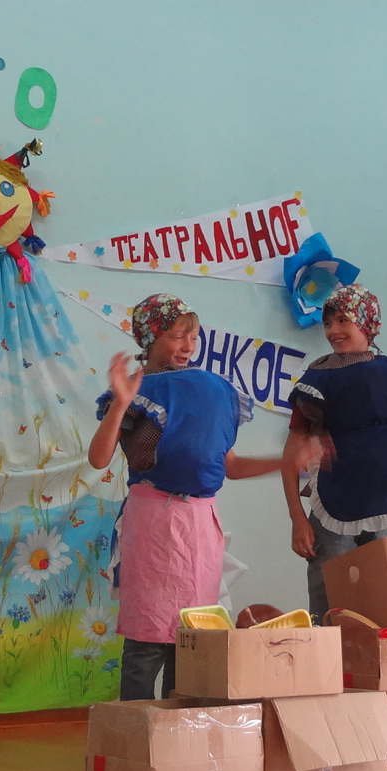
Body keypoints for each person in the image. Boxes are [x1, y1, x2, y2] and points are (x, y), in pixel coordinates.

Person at [90, 294, 282, 700]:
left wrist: (286, 463)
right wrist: (120, 404)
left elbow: (229, 466)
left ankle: (180, 731)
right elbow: (98, 458)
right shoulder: (138, 391)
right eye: (177, 337)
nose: (187, 346)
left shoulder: (211, 390)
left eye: (192, 337)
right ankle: (137, 731)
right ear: (150, 338)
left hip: (199, 526)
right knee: (146, 644)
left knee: (191, 641)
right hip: (152, 525)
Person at [281, 285, 387, 619]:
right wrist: (297, 518)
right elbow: (291, 456)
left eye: (342, 320)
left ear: (367, 322)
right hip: (335, 503)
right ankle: (328, 654)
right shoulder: (317, 379)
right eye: (327, 323)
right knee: (331, 598)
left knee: (383, 600)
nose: (332, 331)